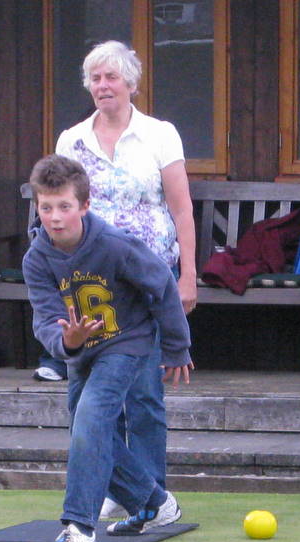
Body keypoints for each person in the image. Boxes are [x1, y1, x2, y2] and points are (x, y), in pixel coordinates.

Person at [50, 40, 198, 516]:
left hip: (150, 280)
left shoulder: (159, 135)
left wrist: (188, 274)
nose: (103, 85)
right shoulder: (72, 141)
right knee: (96, 393)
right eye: (95, 78)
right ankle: (117, 490)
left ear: (131, 83)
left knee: (145, 393)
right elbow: (60, 209)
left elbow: (181, 209)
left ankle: (154, 495)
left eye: (111, 77)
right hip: (90, 283)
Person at [23, 155, 192, 542]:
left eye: (64, 206)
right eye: (46, 207)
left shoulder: (115, 245)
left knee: (91, 420)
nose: (55, 217)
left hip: (127, 343)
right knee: (87, 430)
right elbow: (45, 319)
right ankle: (153, 502)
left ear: (84, 205)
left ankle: (80, 530)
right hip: (81, 354)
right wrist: (68, 342)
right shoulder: (36, 259)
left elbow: (162, 286)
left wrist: (176, 346)